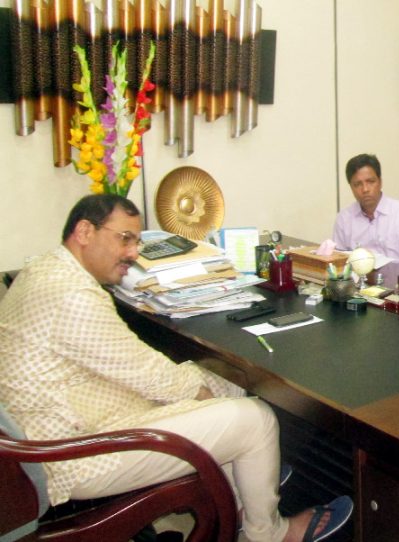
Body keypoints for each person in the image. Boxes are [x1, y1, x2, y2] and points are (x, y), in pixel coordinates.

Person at [0, 195, 352, 542]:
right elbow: (147, 374)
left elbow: (135, 367)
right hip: (70, 457)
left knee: (218, 384)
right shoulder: (71, 295)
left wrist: (202, 386)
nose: (133, 253)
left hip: (62, 419)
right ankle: (271, 534)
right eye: (124, 238)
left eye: (136, 242)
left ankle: (247, 497)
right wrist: (198, 391)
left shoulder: (43, 269)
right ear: (84, 231)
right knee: (254, 419)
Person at [333, 153, 399, 268]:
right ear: (351, 187)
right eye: (357, 184)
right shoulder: (344, 218)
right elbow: (340, 263)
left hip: (397, 282)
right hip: (358, 282)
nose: (365, 189)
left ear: (380, 182)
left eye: (370, 182)